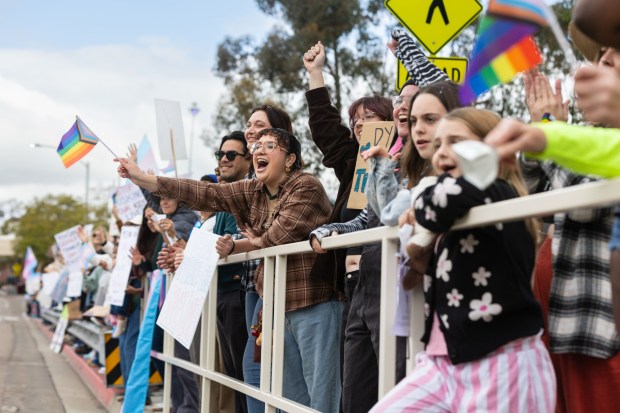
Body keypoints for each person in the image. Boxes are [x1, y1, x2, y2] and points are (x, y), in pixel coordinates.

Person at [117, 128, 343, 413]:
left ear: (290, 159)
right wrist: (142, 179)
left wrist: (252, 241)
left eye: (270, 145)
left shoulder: (306, 185)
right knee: (288, 397)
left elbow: (278, 235)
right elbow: (204, 192)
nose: (259, 150)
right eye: (257, 145)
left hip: (314, 302)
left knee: (321, 397)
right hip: (274, 306)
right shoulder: (253, 190)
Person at [370, 107, 554, 412]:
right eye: (439, 144)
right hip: (441, 364)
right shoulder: (455, 209)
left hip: (502, 363)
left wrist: (422, 211)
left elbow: (435, 204)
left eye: (456, 141)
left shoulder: (497, 192)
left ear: (493, 149)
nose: (442, 152)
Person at [310, 80, 461, 412]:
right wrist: (330, 231)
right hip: (365, 285)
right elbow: (369, 217)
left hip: (401, 289)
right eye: (401, 101)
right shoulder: (388, 162)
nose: (405, 108)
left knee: (394, 390)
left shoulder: (439, 165)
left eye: (420, 108)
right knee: (355, 392)